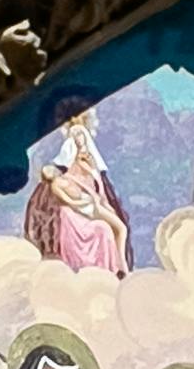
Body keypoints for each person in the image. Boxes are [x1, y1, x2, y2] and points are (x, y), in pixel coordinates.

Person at [21, 105, 130, 277]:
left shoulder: (90, 165)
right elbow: (66, 201)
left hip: (92, 206)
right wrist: (86, 203)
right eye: (76, 135)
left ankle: (121, 267)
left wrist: (101, 201)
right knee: (103, 229)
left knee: (120, 228)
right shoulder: (60, 179)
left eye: (82, 134)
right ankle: (108, 270)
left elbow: (99, 190)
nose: (80, 139)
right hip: (78, 212)